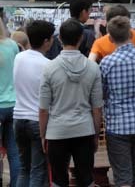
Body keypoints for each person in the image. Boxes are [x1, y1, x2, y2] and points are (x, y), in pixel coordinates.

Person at [39, 19, 103, 187]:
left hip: (57, 131)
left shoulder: (49, 68)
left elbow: (44, 109)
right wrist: (96, 134)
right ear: (81, 38)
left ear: (60, 38)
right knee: (86, 179)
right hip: (84, 129)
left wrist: (43, 134)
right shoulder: (92, 68)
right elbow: (97, 108)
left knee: (59, 180)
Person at [100, 16, 135, 187]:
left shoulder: (107, 63)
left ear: (110, 38)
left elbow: (103, 93)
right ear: (131, 34)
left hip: (118, 124)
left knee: (122, 177)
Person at [14, 20, 54, 187]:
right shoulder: (48, 65)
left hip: (18, 118)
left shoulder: (19, 57)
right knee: (38, 170)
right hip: (37, 121)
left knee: (24, 169)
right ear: (46, 41)